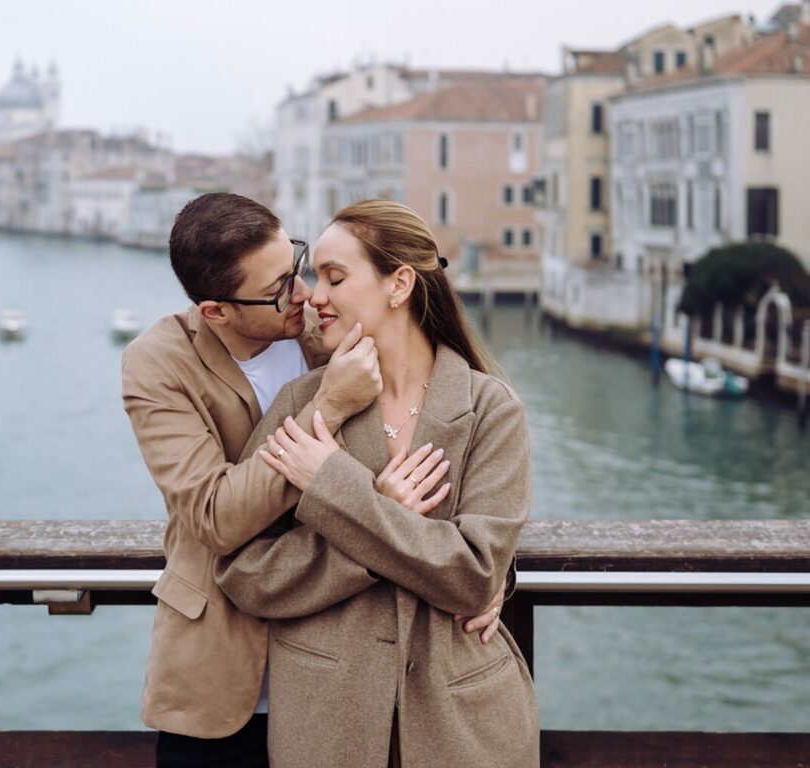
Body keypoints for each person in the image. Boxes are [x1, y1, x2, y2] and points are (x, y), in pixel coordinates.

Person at [122, 193, 507, 768]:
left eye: (298, 266)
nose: (304, 294)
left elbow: (458, 451)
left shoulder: (328, 332)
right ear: (217, 312)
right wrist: (332, 417)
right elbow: (212, 516)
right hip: (227, 672)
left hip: (352, 676)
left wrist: (493, 570)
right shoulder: (157, 363)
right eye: (280, 288)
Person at [215, 199, 539, 768]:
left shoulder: (492, 410)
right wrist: (374, 528)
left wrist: (334, 487)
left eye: (334, 277)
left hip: (466, 723)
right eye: (316, 275)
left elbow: (474, 575)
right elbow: (243, 574)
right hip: (325, 722)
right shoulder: (305, 405)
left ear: (400, 284)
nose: (313, 295)